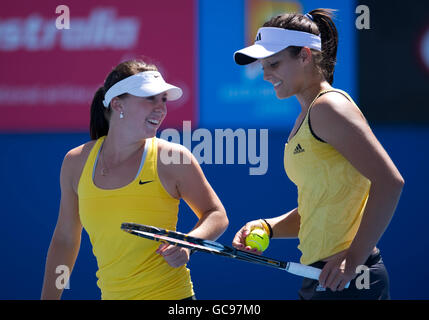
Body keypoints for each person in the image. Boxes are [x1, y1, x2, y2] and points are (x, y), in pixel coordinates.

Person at [231, 9, 404, 300]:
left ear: (305, 56)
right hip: (322, 277)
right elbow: (321, 207)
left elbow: (389, 182)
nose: (265, 74)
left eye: (273, 63)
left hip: (349, 280)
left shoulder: (328, 108)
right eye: (263, 65)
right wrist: (269, 227)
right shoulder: (308, 115)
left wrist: (352, 260)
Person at [41, 59, 229, 300]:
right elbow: (65, 240)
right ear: (118, 104)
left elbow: (216, 214)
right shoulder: (75, 162)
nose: (161, 108)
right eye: (150, 98)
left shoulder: (173, 158)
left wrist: (188, 244)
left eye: (163, 100)